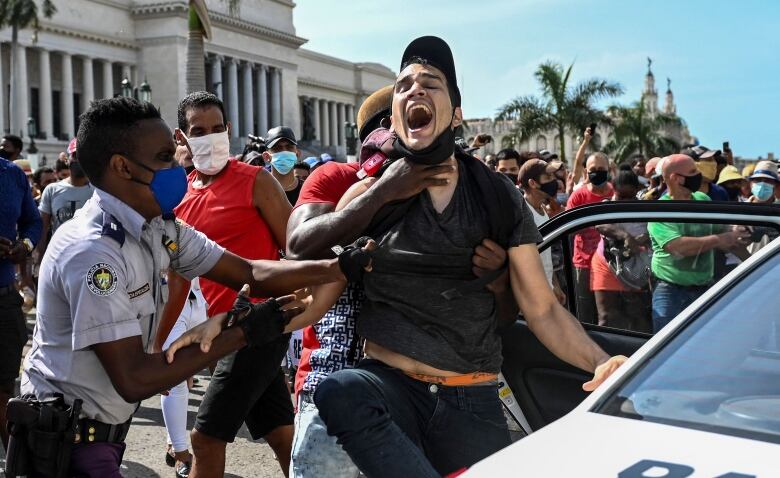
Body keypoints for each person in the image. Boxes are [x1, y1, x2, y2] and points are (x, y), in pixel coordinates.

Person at [313, 35, 626, 478]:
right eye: (403, 85)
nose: (414, 90)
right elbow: (315, 297)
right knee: (340, 391)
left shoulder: (497, 197)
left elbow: (542, 309)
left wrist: (601, 362)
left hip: (470, 400)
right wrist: (234, 324)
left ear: (456, 113)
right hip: (388, 389)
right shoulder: (368, 197)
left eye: (431, 83)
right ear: (395, 116)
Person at [19, 97, 347, 477]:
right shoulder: (93, 253)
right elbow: (134, 379)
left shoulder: (161, 226)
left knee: (272, 431)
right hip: (69, 443)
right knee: (211, 438)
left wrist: (340, 265)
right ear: (122, 167)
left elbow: (249, 271)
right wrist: (241, 332)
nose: (176, 166)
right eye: (163, 157)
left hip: (98, 434)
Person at [286, 82, 510, 477]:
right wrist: (379, 194)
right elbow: (300, 250)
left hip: (413, 389)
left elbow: (494, 306)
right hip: (334, 372)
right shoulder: (337, 179)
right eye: (388, 127)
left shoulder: (453, 192)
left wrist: (496, 274)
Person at [169, 91, 295, 478]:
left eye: (217, 128)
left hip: (258, 324)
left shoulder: (257, 181)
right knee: (281, 434)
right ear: (181, 138)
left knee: (205, 439)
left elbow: (297, 247)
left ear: (229, 129)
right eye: (198, 131)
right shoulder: (181, 193)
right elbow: (176, 272)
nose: (211, 137)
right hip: (218, 330)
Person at [647, 154, 749, 332]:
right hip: (670, 291)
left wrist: (736, 236)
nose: (699, 175)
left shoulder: (703, 200)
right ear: (676, 178)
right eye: (693, 172)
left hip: (704, 289)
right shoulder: (660, 210)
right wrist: (719, 240)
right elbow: (678, 247)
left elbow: (722, 231)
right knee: (666, 347)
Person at [0, 154, 41, 450]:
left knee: (5, 391)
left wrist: (22, 246)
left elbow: (32, 221)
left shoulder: (12, 174)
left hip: (4, 301)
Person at [591, 167, 651, 332]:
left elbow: (654, 230)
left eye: (630, 197)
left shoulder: (645, 207)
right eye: (621, 197)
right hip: (607, 264)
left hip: (637, 265)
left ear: (637, 190)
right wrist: (625, 235)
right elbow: (601, 225)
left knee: (638, 315)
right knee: (607, 317)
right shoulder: (607, 205)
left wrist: (644, 238)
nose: (625, 202)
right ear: (613, 190)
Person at [566, 151, 613, 324]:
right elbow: (568, 229)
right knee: (585, 316)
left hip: (611, 265)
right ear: (586, 172)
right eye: (593, 169)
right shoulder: (578, 196)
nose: (597, 172)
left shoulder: (616, 195)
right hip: (583, 265)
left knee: (607, 316)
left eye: (602, 168)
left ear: (609, 170)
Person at [518, 158, 566, 303]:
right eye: (548, 177)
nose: (554, 181)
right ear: (533, 183)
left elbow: (546, 255)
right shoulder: (523, 213)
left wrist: (555, 285)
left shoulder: (542, 209)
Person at [38, 138, 95, 257]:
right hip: (59, 256)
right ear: (66, 160)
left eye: (83, 155)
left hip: (91, 255)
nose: (79, 159)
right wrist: (42, 258)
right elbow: (43, 228)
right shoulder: (52, 190)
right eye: (75, 155)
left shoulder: (99, 190)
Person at [264, 126, 303, 206]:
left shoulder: (307, 189)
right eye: (277, 148)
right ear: (266, 156)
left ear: (297, 154)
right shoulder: (259, 190)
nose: (284, 151)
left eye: (289, 147)